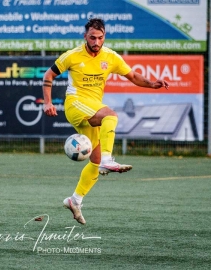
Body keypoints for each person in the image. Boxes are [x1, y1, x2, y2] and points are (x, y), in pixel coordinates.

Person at [42, 18, 169, 225]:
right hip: (75, 104)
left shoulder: (110, 57)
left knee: (94, 161)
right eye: (92, 37)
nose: (96, 41)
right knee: (110, 115)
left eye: (100, 38)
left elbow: (133, 76)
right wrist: (48, 102)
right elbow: (49, 74)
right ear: (85, 36)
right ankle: (108, 160)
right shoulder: (72, 55)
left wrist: (152, 84)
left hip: (92, 108)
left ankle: (75, 200)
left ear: (104, 37)